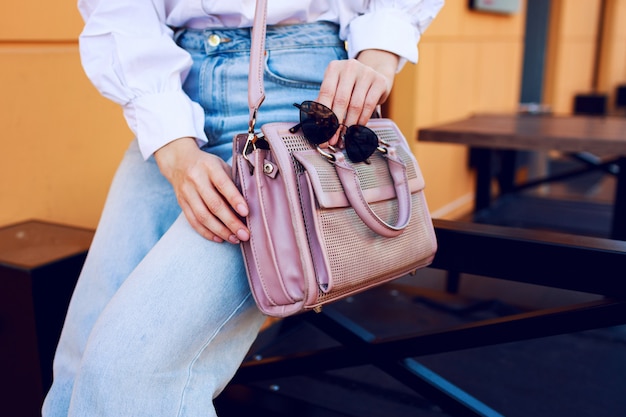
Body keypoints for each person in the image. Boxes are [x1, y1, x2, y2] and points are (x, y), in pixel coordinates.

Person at [42, 1, 444, 415]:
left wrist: (378, 56)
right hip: (171, 103)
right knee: (77, 367)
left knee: (131, 374)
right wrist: (176, 151)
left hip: (296, 101)